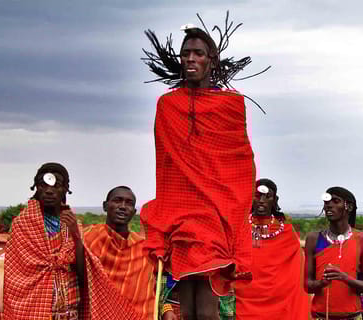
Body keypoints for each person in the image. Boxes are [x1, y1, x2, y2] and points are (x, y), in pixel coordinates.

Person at [140, 14, 267, 320]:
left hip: (217, 214)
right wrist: (165, 219)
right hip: (181, 214)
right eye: (185, 53)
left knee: (207, 307)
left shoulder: (231, 104)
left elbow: (240, 162)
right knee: (187, 304)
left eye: (198, 53)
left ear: (212, 60)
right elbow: (165, 166)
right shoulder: (167, 105)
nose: (190, 59)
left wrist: (234, 214)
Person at [3, 162, 138, 320]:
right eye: (43, 185)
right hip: (33, 310)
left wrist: (75, 234)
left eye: (56, 186)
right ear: (36, 188)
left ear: (65, 189)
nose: (49, 191)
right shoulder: (22, 225)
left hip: (70, 311)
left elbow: (82, 273)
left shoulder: (73, 224)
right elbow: (15, 277)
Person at [233, 179, 311, 319]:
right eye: (257, 196)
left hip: (280, 299)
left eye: (267, 196)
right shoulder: (238, 227)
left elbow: (296, 271)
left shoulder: (286, 231)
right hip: (244, 296)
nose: (262, 201)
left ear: (275, 200)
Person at [82, 186, 157, 317]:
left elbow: (157, 286)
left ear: (134, 212)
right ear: (105, 206)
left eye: (129, 203)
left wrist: (167, 309)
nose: (123, 206)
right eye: (117, 200)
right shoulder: (87, 238)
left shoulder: (144, 248)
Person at [304, 186, 363, 320]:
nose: (329, 206)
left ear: (349, 207)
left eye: (336, 201)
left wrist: (344, 278)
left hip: (353, 316)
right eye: (326, 202)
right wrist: (321, 283)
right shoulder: (314, 239)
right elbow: (307, 285)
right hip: (320, 316)